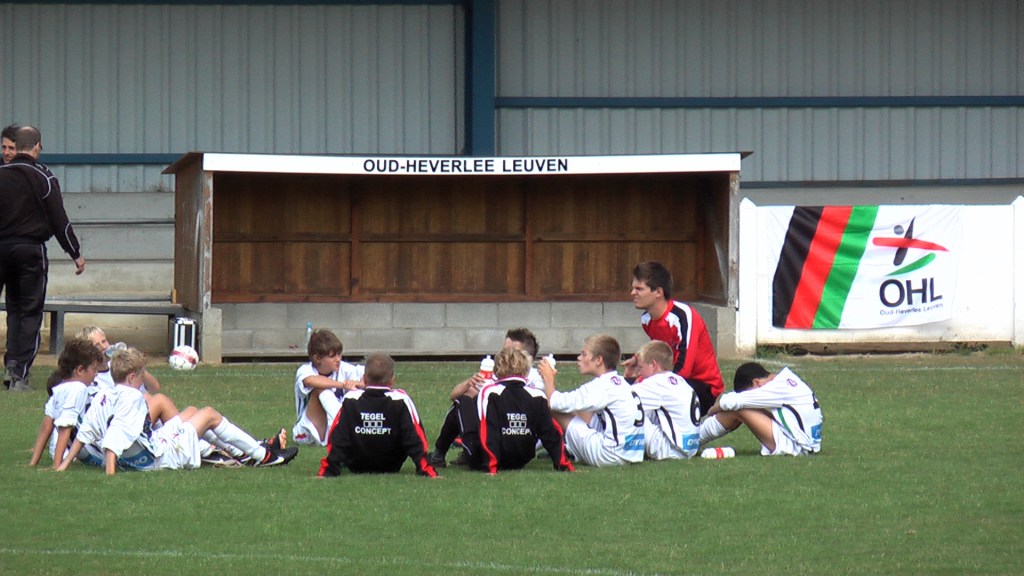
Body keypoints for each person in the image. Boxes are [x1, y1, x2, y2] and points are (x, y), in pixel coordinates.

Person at [57, 347, 298, 474]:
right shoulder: (132, 397)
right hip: (159, 457)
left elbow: (86, 432)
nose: (143, 380)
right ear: (131, 377)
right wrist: (111, 472)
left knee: (192, 411)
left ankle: (243, 454)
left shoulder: (104, 395)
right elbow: (115, 436)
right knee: (209, 414)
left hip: (147, 450)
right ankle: (263, 457)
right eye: (141, 375)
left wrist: (63, 465)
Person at [1, 126, 86, 391]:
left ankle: (11, 364)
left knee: (14, 309)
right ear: (37, 146)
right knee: (29, 311)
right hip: (30, 250)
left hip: (1, 249)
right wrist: (75, 253)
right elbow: (59, 220)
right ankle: (18, 373)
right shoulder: (44, 177)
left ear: (16, 146)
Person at [624, 261, 724, 416]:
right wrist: (639, 363)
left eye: (639, 289)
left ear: (658, 292)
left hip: (702, 386)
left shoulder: (683, 316)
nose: (632, 293)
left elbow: (683, 369)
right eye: (633, 288)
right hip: (671, 381)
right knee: (623, 390)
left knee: (635, 397)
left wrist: (643, 381)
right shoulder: (646, 320)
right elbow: (659, 355)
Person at [319, 353, 438, 478]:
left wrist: (329, 470)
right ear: (392, 379)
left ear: (364, 378)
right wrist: (427, 469)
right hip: (391, 465)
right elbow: (414, 437)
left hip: (356, 465)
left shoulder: (351, 399)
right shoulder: (401, 399)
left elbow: (339, 437)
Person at [538, 334, 645, 467]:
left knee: (544, 402)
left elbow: (555, 402)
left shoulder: (603, 385)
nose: (579, 358)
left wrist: (548, 377)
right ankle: (564, 447)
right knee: (579, 409)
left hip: (610, 455)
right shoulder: (620, 382)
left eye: (584, 354)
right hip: (632, 453)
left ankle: (538, 446)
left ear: (598, 360)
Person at [471, 346, 574, 474]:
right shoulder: (538, 395)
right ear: (526, 370)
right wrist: (564, 465)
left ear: (496, 370)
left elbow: (488, 429)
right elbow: (551, 434)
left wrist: (491, 467)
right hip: (523, 457)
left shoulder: (489, 392)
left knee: (461, 403)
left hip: (494, 459)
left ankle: (448, 452)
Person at [698, 362, 822, 456]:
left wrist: (713, 410)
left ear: (756, 382)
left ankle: (694, 440)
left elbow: (732, 401)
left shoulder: (775, 387)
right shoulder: (785, 379)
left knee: (739, 408)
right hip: (805, 441)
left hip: (798, 447)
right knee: (740, 406)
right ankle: (695, 438)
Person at [27, 337, 106, 468]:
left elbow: (47, 425)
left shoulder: (59, 389)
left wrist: (33, 463)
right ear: (80, 370)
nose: (96, 374)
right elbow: (65, 427)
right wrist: (57, 465)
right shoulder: (78, 389)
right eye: (94, 369)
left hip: (94, 450)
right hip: (98, 452)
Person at [631, 340, 701, 460]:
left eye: (641, 367)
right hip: (690, 448)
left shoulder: (657, 382)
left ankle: (613, 448)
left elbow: (622, 398)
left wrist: (628, 379)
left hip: (671, 450)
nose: (638, 372)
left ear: (653, 365)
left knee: (627, 410)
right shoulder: (679, 381)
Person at [293, 328, 364, 446]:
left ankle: (347, 429)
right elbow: (311, 381)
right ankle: (346, 427)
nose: (338, 359)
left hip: (332, 429)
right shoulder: (305, 370)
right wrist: (344, 385)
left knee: (357, 392)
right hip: (306, 432)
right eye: (332, 356)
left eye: (339, 354)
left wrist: (361, 383)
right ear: (317, 358)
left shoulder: (345, 368)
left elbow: (373, 373)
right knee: (320, 388)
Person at [78, 325, 161, 393]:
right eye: (97, 345)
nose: (103, 347)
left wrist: (137, 365)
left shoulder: (119, 365)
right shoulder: (91, 376)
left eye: (104, 341)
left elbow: (155, 388)